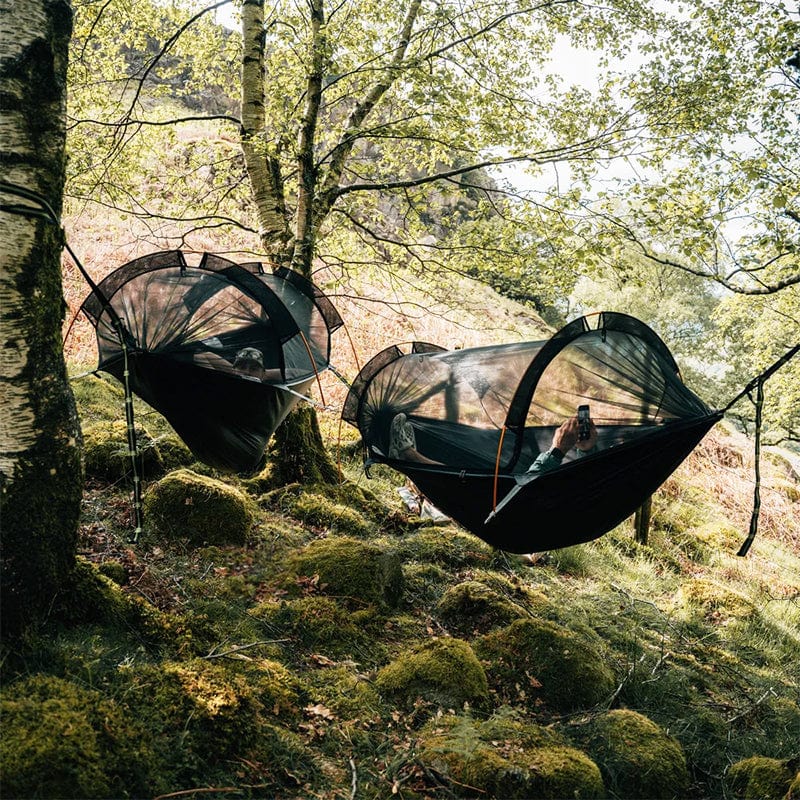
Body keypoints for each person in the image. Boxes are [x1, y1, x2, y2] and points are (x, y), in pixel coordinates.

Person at [387, 411, 598, 470]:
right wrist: (585, 450)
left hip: (515, 506)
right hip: (523, 493)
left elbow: (529, 486)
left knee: (473, 484)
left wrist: (557, 450)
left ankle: (406, 455)